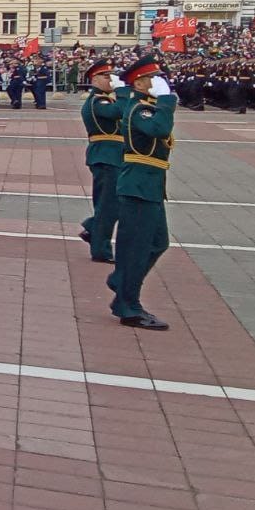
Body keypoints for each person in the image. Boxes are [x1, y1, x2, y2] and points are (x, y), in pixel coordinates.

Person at [108, 54, 176, 331]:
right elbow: (160, 129)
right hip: (138, 186)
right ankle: (128, 305)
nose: (156, 81)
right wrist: (167, 100)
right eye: (151, 78)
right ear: (139, 82)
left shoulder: (145, 106)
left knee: (158, 243)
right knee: (135, 249)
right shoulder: (139, 109)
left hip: (148, 185)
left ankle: (121, 281)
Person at [78, 59, 123, 264]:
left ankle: (92, 229)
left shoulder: (105, 99)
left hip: (111, 155)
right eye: (106, 76)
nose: (111, 80)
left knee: (110, 204)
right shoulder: (99, 102)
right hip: (105, 155)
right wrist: (123, 92)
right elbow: (118, 113)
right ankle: (101, 250)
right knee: (107, 206)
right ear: (95, 79)